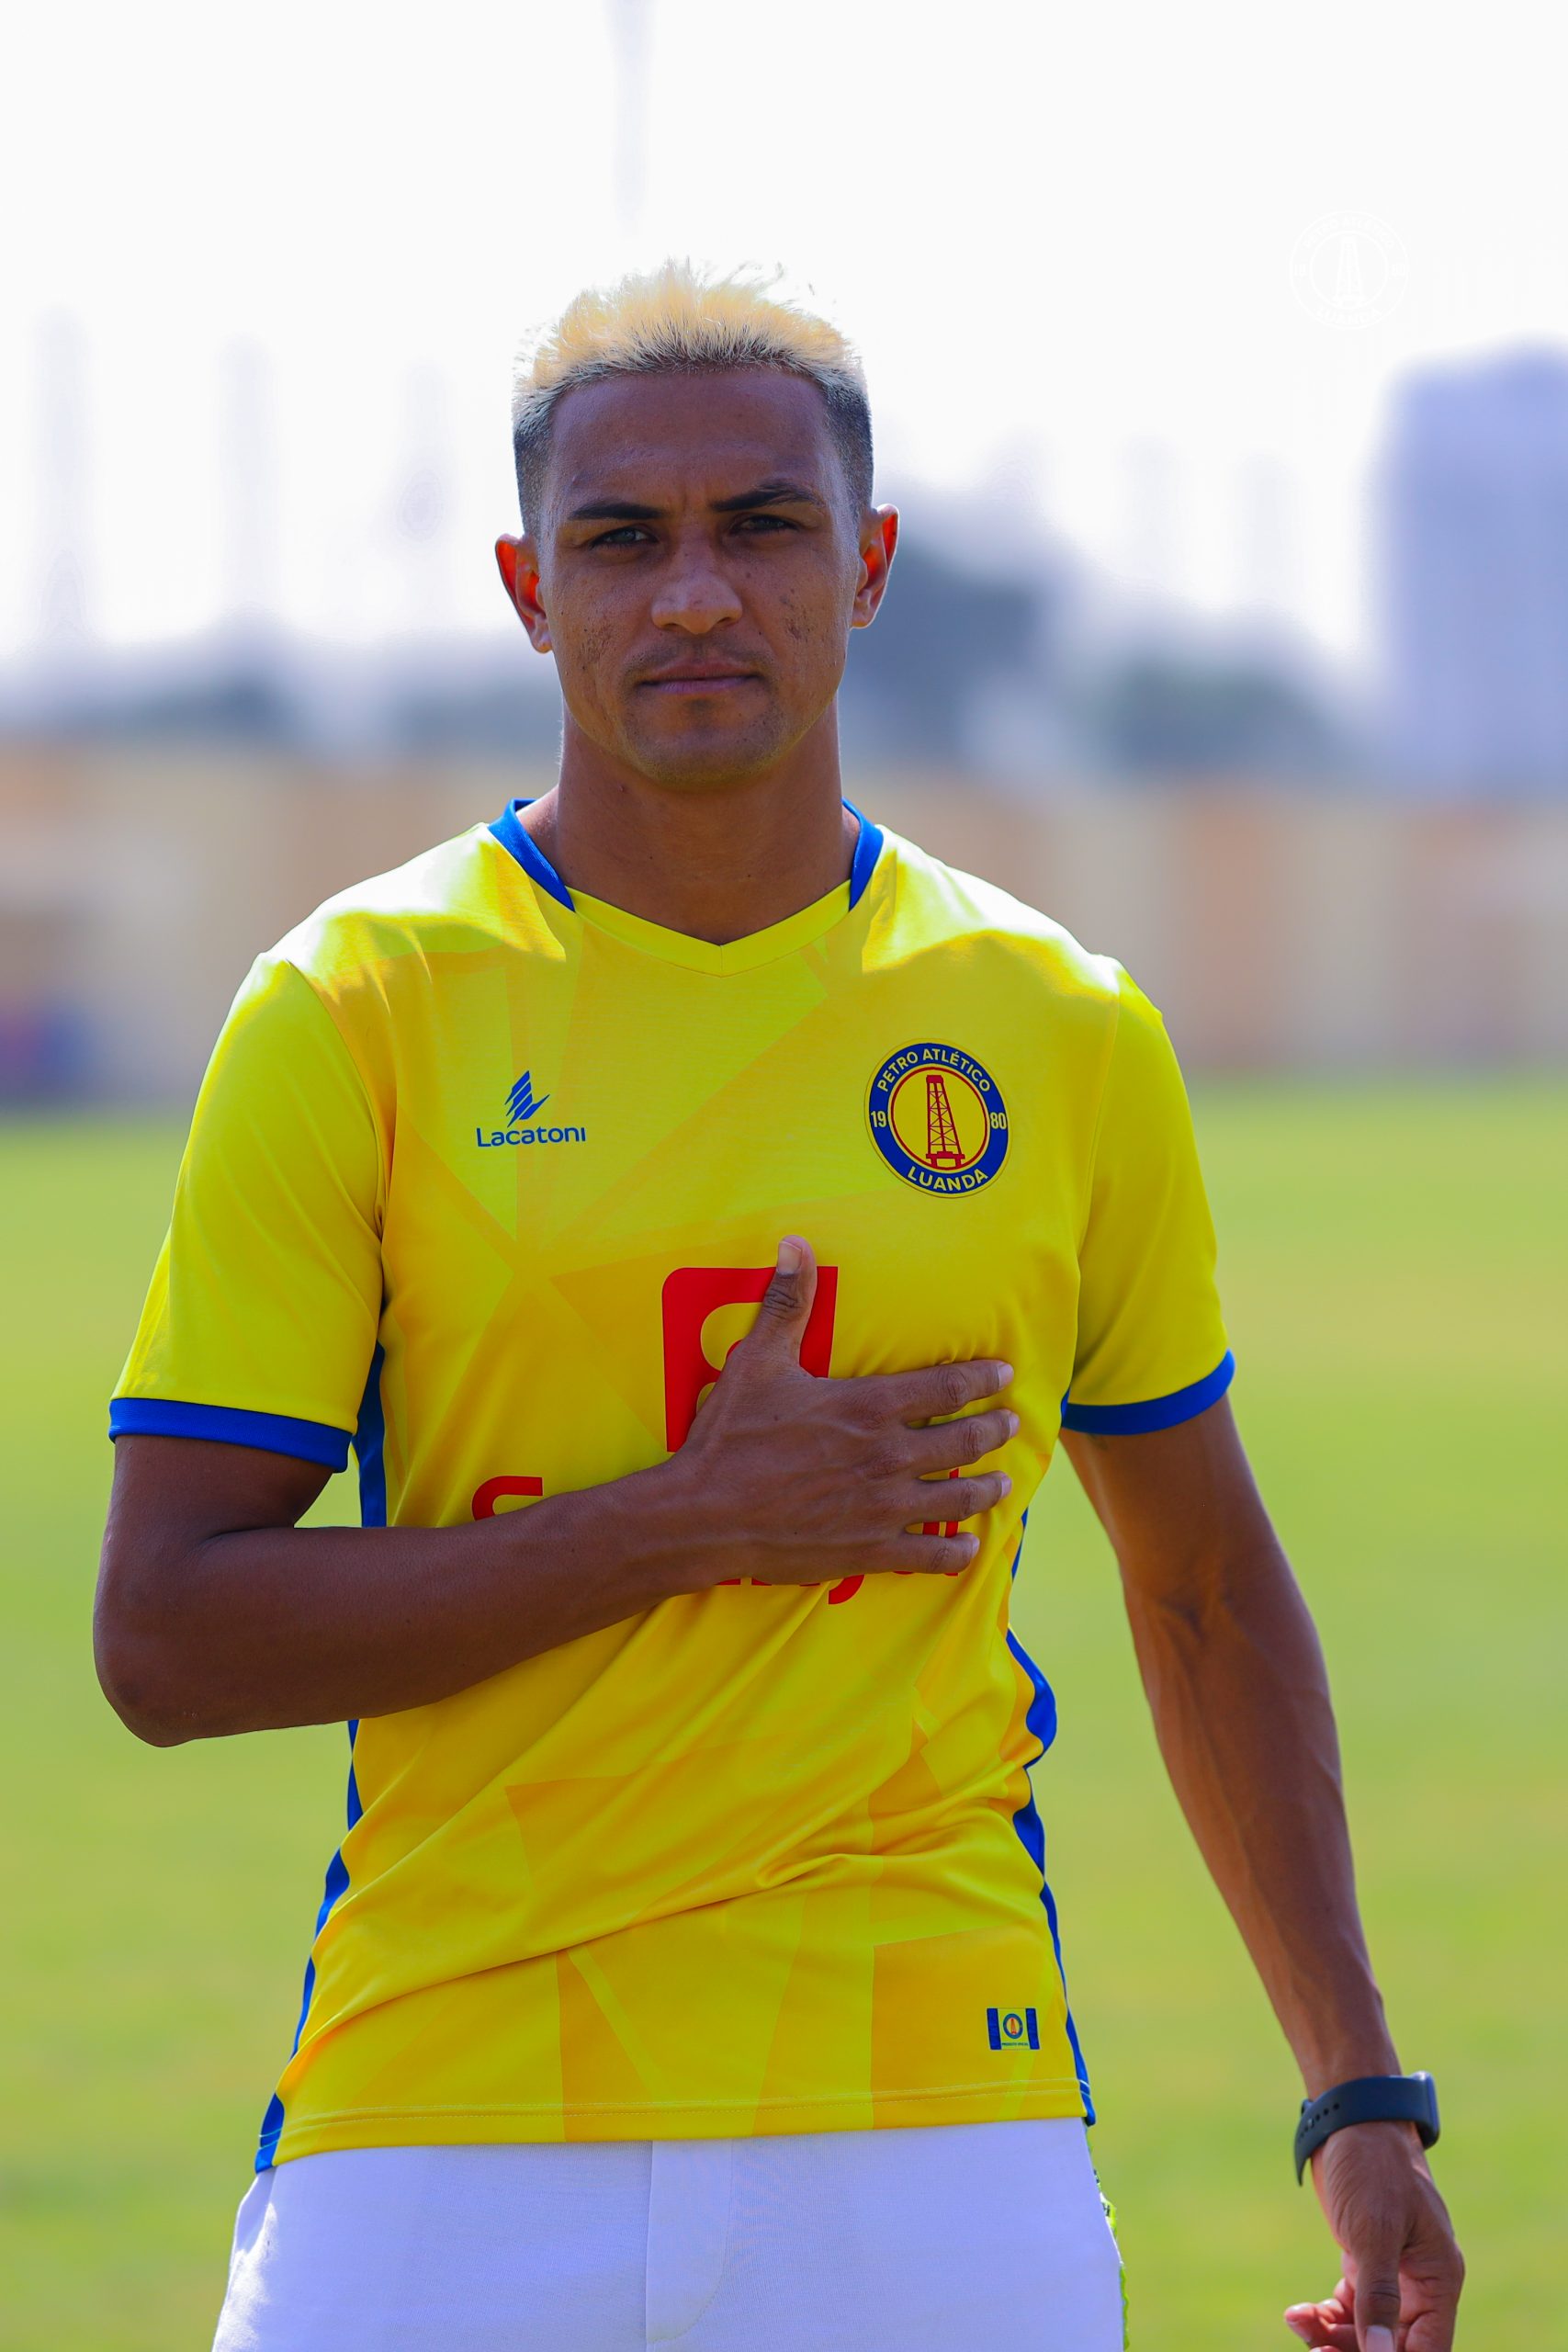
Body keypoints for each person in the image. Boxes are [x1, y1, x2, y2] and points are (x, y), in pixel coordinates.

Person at [96, 263, 1462, 2352]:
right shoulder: (352, 1007)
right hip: (444, 2103)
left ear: (868, 563)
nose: (695, 595)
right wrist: (684, 1519)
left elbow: (1200, 1585)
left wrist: (1353, 2088)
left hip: (935, 2118)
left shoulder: (1057, 1024)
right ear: (526, 590)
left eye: (761, 526)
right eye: (618, 540)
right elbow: (166, 1634)